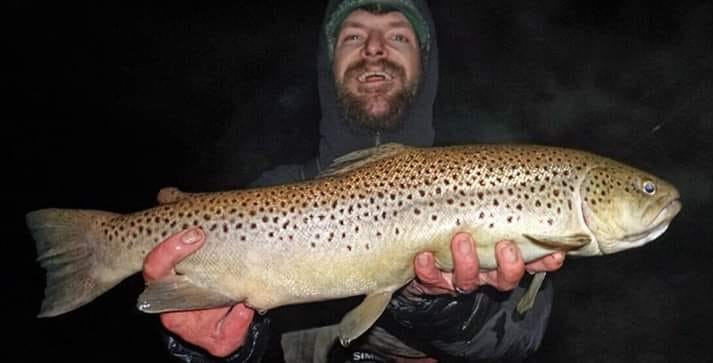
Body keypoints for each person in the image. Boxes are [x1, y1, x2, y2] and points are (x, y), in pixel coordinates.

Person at [142, 1, 565, 362]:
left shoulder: (486, 185)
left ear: (427, 61)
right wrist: (213, 349)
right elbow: (256, 348)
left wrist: (436, 303)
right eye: (353, 36)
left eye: (398, 36)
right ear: (329, 65)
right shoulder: (272, 191)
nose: (375, 48)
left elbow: (521, 338)